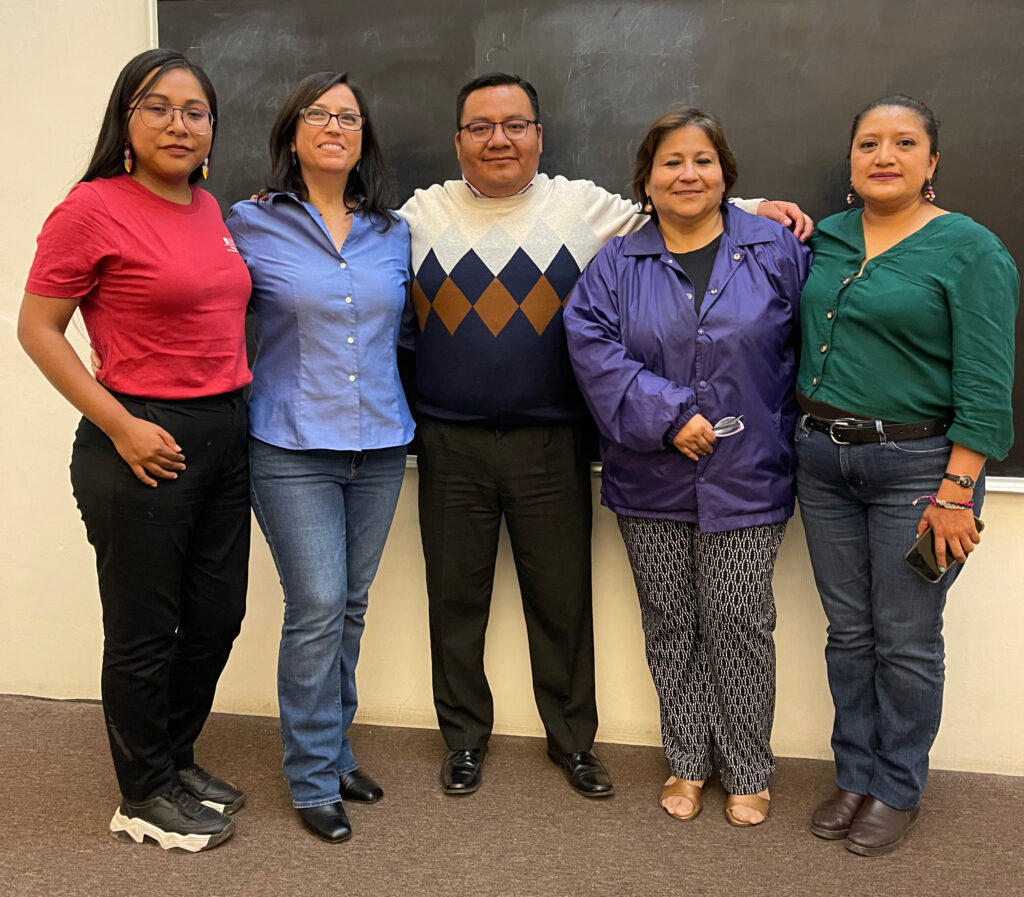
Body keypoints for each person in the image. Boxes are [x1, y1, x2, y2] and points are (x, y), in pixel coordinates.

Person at [399, 71, 813, 798]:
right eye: (481, 127)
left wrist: (757, 206)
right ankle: (464, 738)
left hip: (554, 444)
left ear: (538, 134)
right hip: (449, 441)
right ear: (458, 139)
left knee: (562, 602)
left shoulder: (584, 208)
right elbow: (343, 240)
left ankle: (572, 744)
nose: (500, 139)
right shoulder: (416, 215)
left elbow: (686, 205)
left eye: (516, 124)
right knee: (454, 600)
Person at [18, 49, 250, 852]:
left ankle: (174, 759)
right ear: (126, 119)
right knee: (146, 628)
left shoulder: (210, 207)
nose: (178, 123)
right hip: (141, 436)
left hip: (226, 432)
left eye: (195, 110)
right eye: (158, 106)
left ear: (211, 128)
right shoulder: (91, 208)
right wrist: (120, 424)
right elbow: (37, 330)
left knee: (217, 614)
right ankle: (142, 792)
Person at [564, 108, 810, 826]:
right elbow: (590, 346)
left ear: (726, 173)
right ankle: (687, 761)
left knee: (738, 619)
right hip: (650, 475)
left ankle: (748, 768)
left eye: (702, 160)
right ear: (646, 178)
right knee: (671, 622)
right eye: (671, 162)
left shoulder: (776, 248)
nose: (688, 174)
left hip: (750, 471)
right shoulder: (616, 263)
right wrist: (669, 414)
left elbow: (819, 342)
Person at [795, 95, 1018, 856]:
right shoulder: (826, 238)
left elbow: (987, 383)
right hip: (822, 461)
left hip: (920, 471)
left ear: (931, 163)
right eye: (867, 143)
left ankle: (897, 784)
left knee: (907, 637)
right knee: (849, 633)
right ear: (851, 162)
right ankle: (853, 773)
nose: (883, 155)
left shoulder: (971, 249)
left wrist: (957, 491)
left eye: (903, 142)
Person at [226, 73, 414, 844]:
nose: (334, 125)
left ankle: (337, 753)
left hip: (380, 444)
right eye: (319, 113)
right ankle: (309, 776)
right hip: (290, 445)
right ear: (292, 131)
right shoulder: (247, 222)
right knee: (316, 607)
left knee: (352, 604)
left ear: (363, 136)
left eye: (349, 116)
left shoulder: (392, 230)